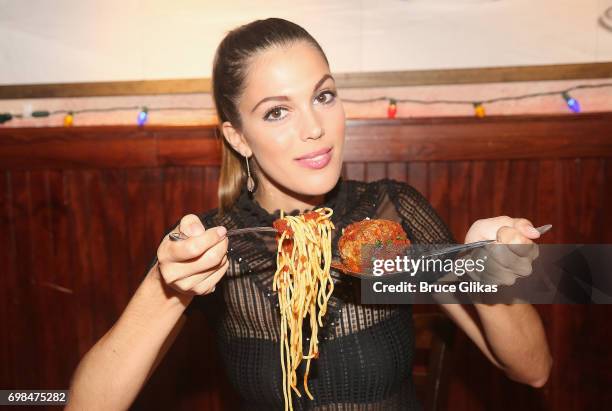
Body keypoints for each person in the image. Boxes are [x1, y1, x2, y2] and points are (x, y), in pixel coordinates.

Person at [67, 18, 552, 411]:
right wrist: (163, 287)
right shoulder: (214, 247)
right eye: (278, 112)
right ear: (238, 137)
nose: (316, 128)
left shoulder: (391, 211)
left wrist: (482, 270)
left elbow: (533, 370)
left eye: (323, 96)